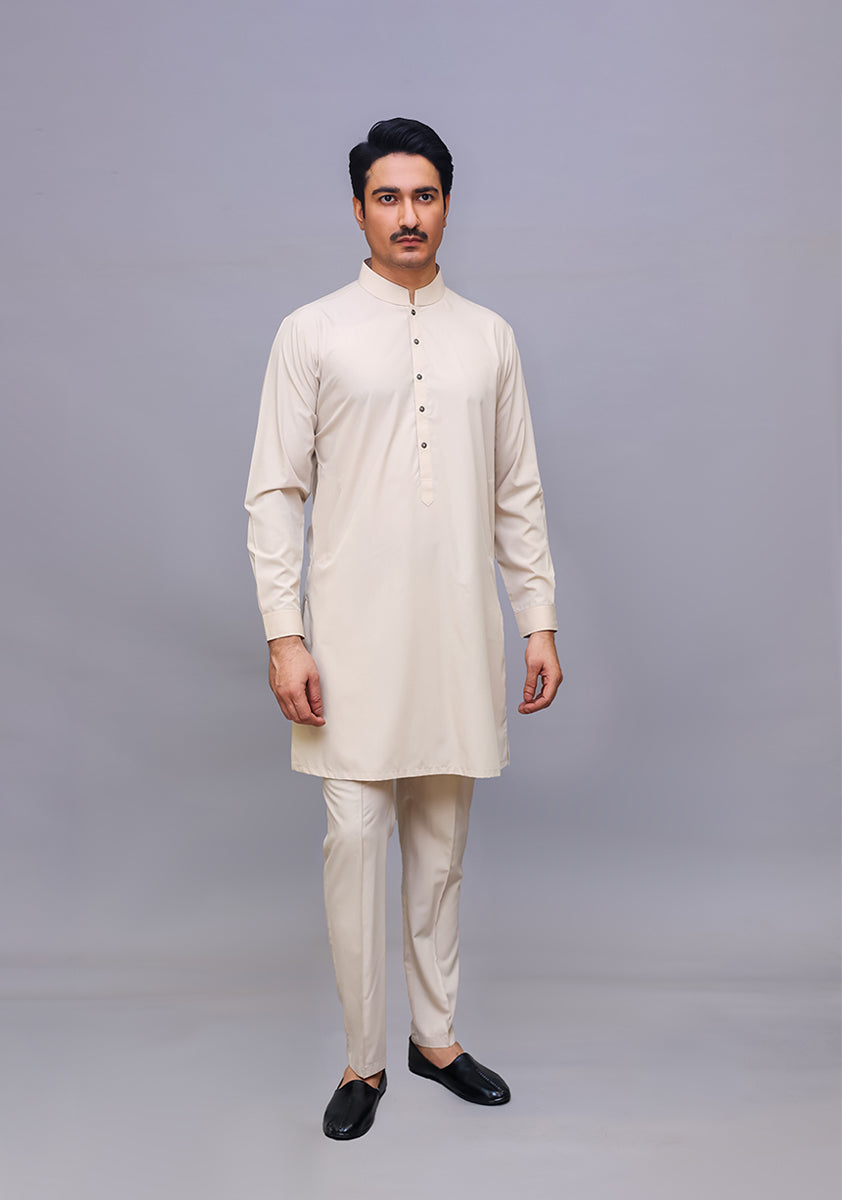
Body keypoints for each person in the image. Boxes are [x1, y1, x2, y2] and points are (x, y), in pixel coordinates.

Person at [245, 117, 562, 1140]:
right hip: (347, 644)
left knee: (440, 849)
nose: (407, 215)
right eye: (388, 197)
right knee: (354, 846)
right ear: (358, 210)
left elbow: (517, 490)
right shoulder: (312, 331)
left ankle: (437, 1041)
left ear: (447, 207)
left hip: (458, 635)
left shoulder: (489, 336)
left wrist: (537, 619)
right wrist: (284, 633)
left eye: (423, 195)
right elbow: (275, 491)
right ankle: (363, 1060)